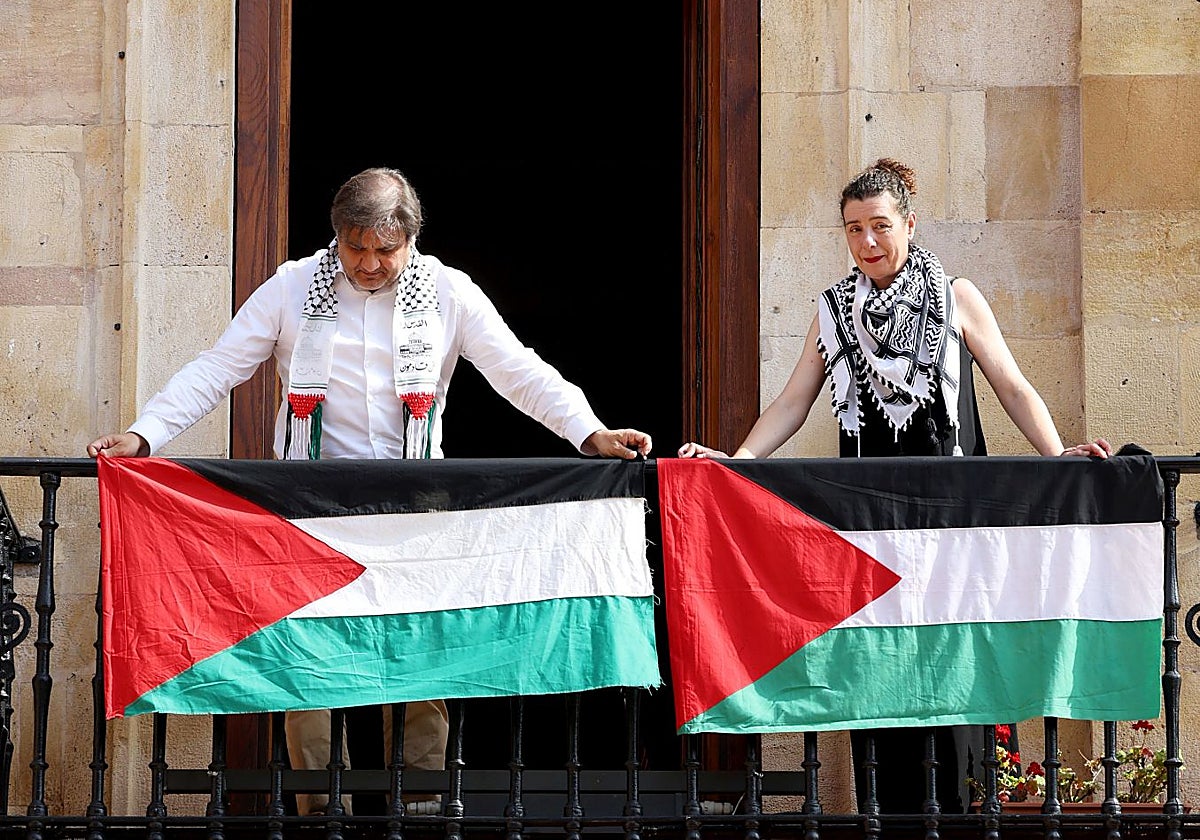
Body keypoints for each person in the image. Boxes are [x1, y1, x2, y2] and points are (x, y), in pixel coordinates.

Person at [87, 166, 653, 816]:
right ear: (338, 235)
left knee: (422, 665)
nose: (370, 263)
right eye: (357, 248)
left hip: (418, 514)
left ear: (410, 240)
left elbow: (517, 370)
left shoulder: (449, 291)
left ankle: (417, 813)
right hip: (309, 514)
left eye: (386, 250)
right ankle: (321, 815)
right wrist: (145, 435)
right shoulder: (292, 286)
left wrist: (590, 431)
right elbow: (219, 367)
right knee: (309, 670)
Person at [677, 157, 1111, 814]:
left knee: (960, 678)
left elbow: (1012, 385)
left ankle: (969, 815)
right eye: (853, 230)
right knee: (883, 677)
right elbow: (794, 403)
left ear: (909, 223)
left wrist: (1058, 455)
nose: (868, 242)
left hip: (954, 529)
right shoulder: (832, 310)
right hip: (873, 532)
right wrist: (733, 461)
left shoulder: (957, 296)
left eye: (879, 225)